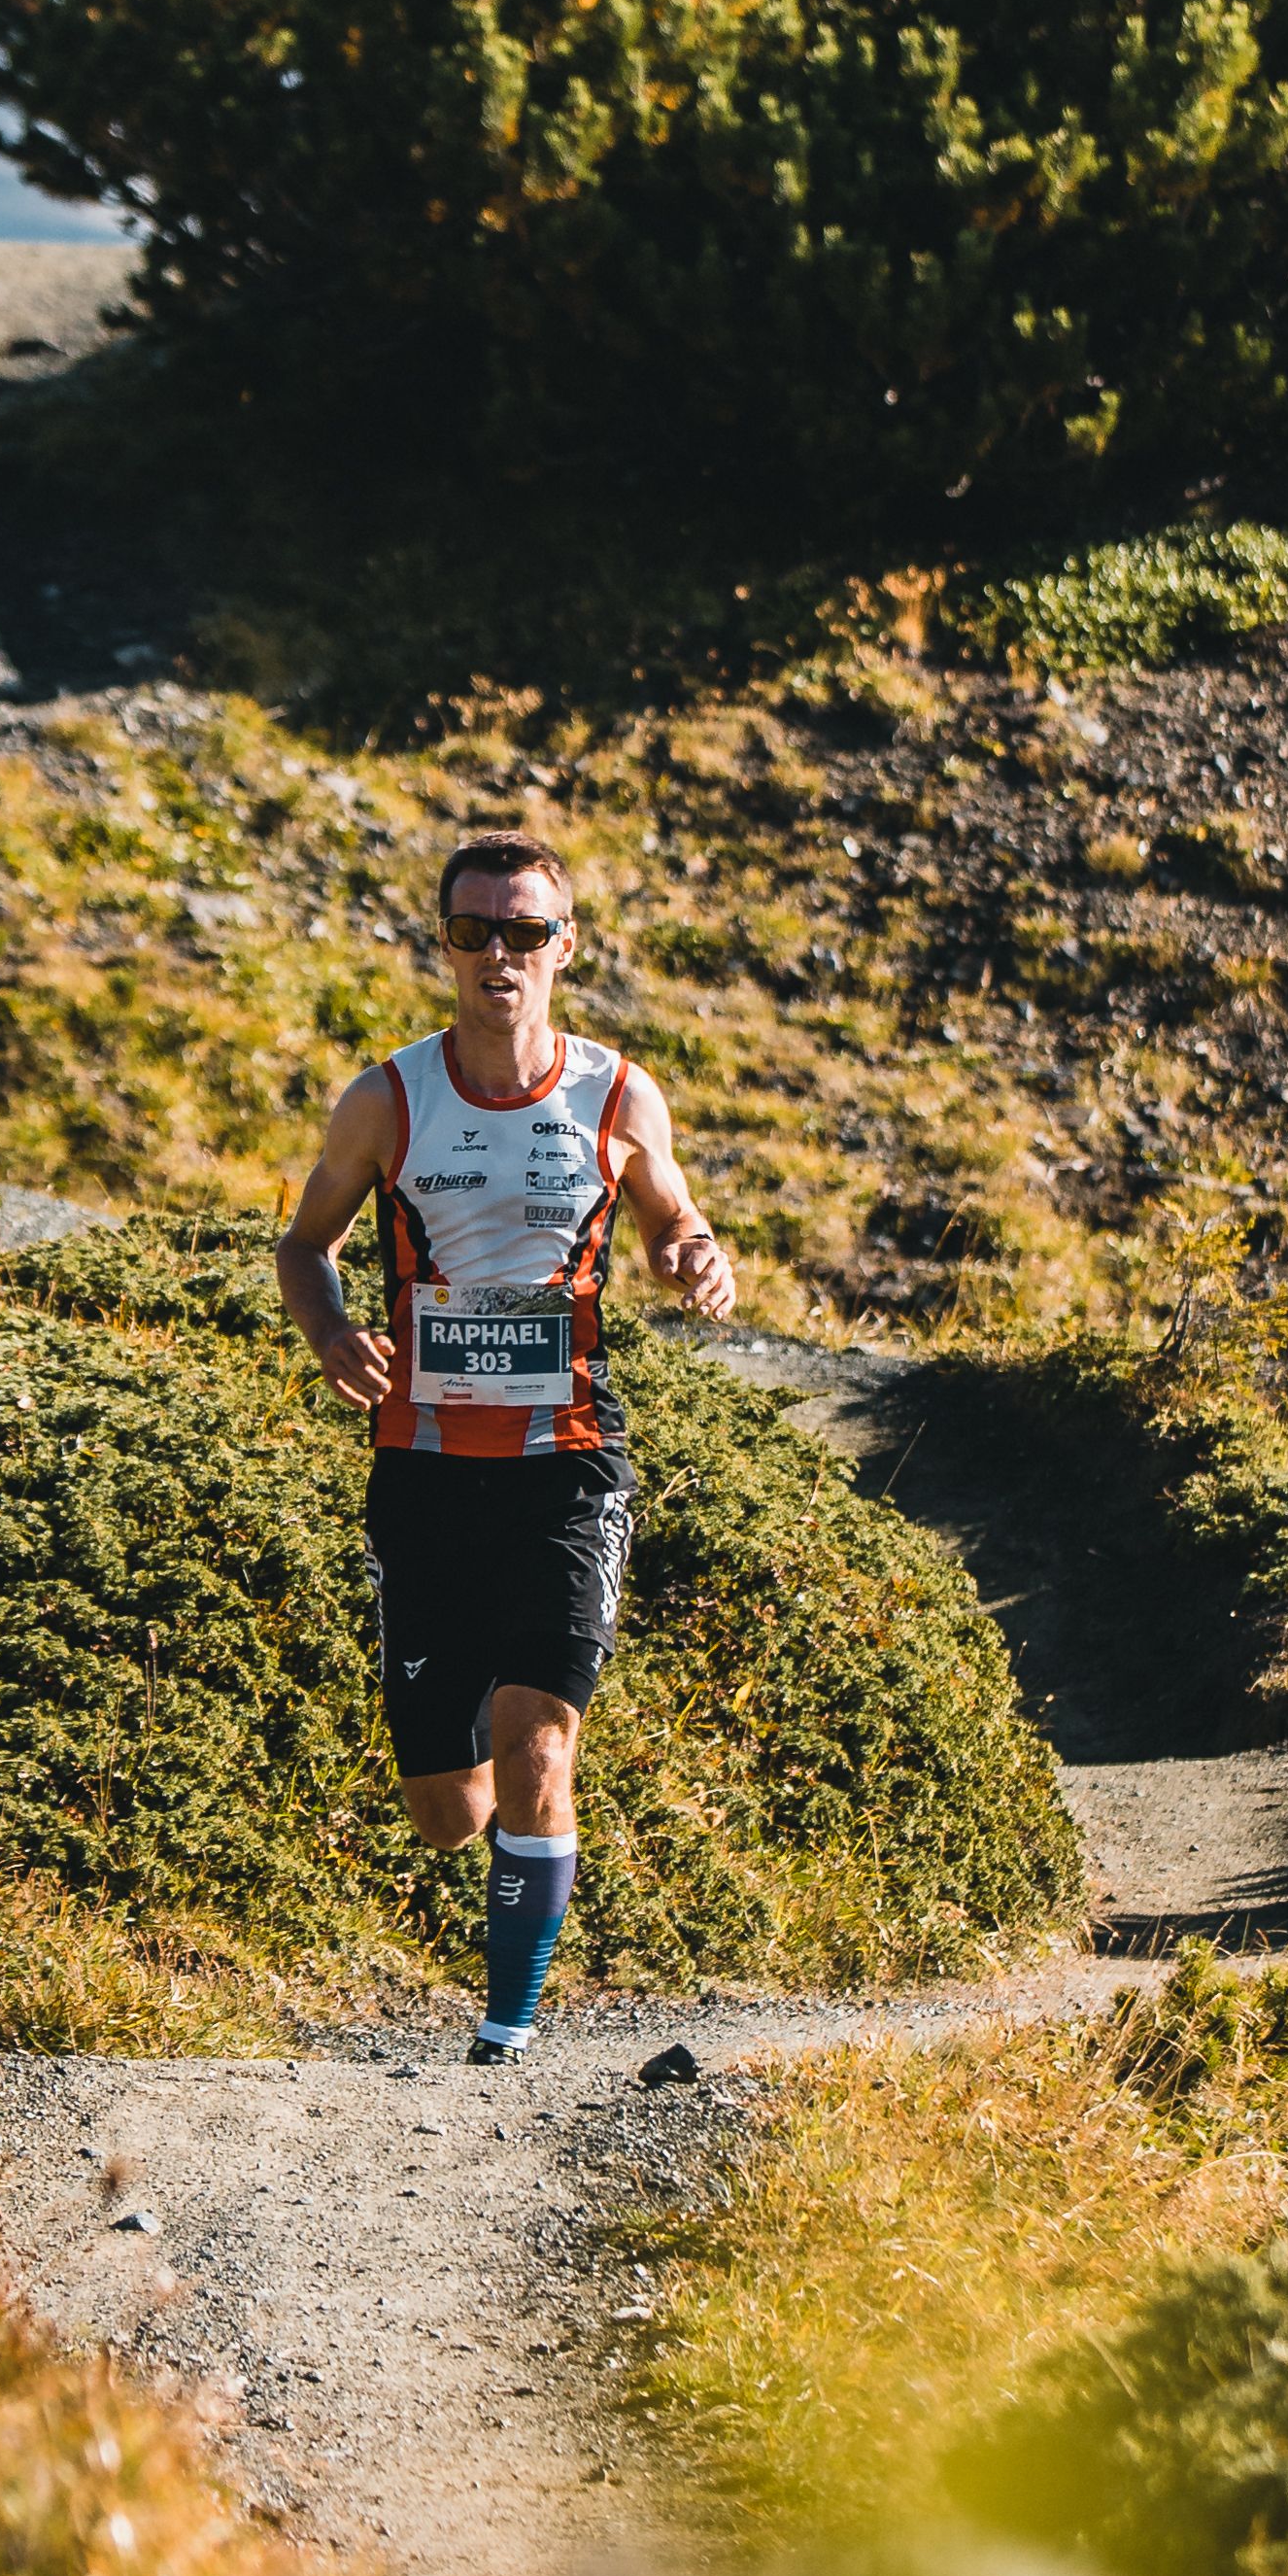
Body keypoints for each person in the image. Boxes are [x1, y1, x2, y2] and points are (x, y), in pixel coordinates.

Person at [274, 832, 736, 2065]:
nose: (498, 954)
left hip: (566, 1463)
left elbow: (669, 1217)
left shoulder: (617, 1093)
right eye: (473, 930)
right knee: (447, 1808)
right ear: (443, 946)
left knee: (541, 1745)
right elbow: (301, 1243)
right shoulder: (388, 1098)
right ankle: (470, 1757)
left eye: (523, 932)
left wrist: (694, 1251)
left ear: (561, 948)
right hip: (423, 1472)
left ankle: (506, 2032)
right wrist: (330, 1332)